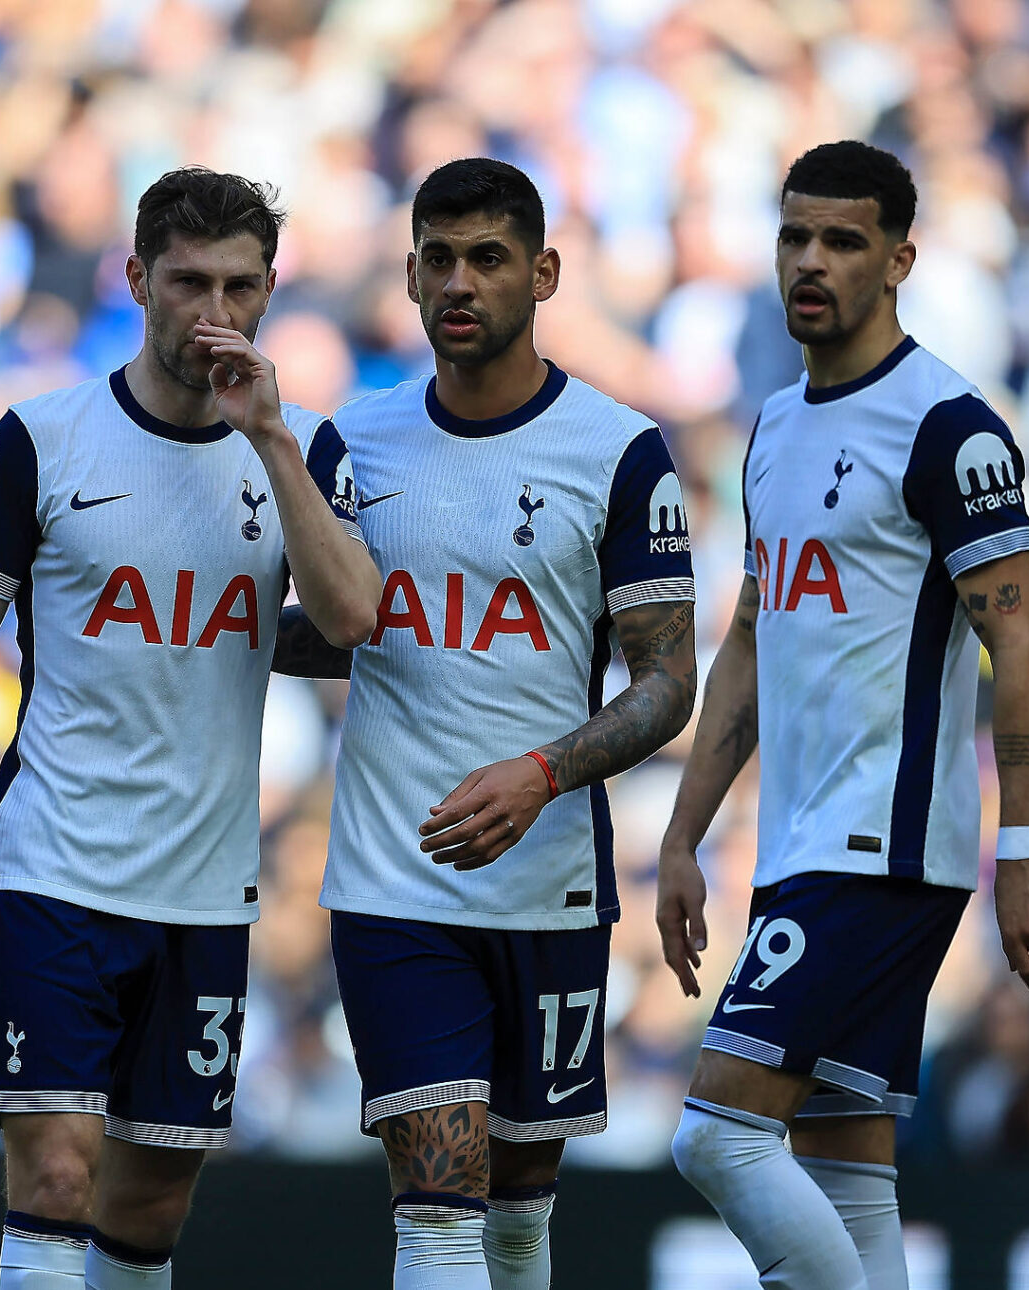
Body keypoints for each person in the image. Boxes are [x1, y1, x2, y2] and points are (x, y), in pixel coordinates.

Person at [0, 167, 377, 1290]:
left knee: (151, 1204)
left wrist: (267, 438)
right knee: (56, 1182)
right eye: (187, 282)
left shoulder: (305, 448)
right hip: (54, 864)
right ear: (136, 281)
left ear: (270, 292)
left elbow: (354, 621)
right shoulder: (41, 439)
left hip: (206, 882)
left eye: (240, 286)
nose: (215, 312)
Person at [649, 139, 1029, 1290]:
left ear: (899, 259)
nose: (811, 262)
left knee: (717, 1133)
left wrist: (1025, 848)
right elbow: (750, 638)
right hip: (800, 844)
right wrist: (684, 834)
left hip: (879, 849)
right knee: (845, 1164)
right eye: (794, 236)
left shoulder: (948, 427)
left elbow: (1021, 641)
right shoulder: (776, 425)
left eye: (842, 240)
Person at [272, 157, 698, 1289]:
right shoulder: (348, 445)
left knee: (517, 1210)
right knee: (439, 1205)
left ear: (543, 273)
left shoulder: (618, 450)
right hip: (392, 879)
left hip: (547, 878)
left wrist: (545, 773)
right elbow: (321, 630)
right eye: (438, 260)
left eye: (488, 259)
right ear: (408, 276)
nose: (460, 282)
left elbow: (666, 685)